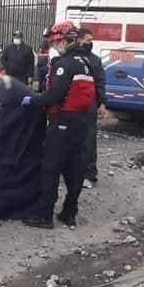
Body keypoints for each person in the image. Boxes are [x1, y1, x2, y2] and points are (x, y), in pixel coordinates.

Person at [20, 21, 96, 229]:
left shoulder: (64, 64)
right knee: (74, 169)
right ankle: (69, 212)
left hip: (63, 122)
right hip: (81, 122)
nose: (54, 46)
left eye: (55, 42)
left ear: (62, 40)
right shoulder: (86, 62)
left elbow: (55, 95)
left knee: (50, 168)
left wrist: (33, 100)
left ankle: (44, 215)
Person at [78, 28, 107, 189]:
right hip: (73, 105)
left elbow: (100, 83)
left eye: (91, 40)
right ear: (79, 40)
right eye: (88, 40)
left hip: (89, 105)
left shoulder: (95, 60)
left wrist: (102, 103)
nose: (90, 43)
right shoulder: (72, 58)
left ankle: (89, 175)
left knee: (89, 141)